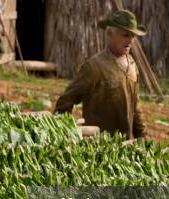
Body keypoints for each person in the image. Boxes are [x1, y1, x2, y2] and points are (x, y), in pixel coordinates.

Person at [54, 9, 147, 140]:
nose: (130, 40)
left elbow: (135, 105)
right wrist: (60, 133)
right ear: (110, 33)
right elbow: (66, 100)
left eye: (133, 36)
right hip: (100, 147)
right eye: (125, 35)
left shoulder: (132, 64)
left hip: (127, 146)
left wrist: (142, 136)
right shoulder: (94, 66)